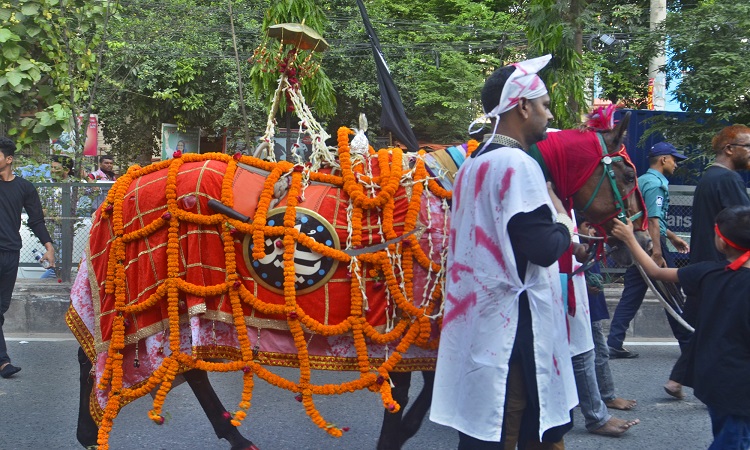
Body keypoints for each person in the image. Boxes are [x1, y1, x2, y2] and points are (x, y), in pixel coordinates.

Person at [430, 55, 579, 449]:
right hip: (514, 328)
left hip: (481, 320)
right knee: (513, 423)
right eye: (544, 105)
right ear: (523, 106)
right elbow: (543, 248)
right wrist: (565, 223)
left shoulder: (472, 165)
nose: (548, 114)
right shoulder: (518, 163)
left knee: (486, 427)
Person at [611, 206, 750, 450]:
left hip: (715, 379)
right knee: (734, 439)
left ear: (721, 242)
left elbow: (656, 271)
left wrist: (630, 238)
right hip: (741, 385)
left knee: (729, 436)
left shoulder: (706, 272)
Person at [607, 142, 691, 358]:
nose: (676, 164)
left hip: (641, 243)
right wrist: (657, 253)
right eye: (674, 159)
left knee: (632, 294)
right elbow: (653, 221)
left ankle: (614, 342)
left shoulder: (642, 180)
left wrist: (673, 237)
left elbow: (652, 218)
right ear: (663, 160)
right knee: (671, 293)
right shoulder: (656, 185)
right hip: (653, 245)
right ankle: (689, 344)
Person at [571, 222, 638, 437]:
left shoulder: (590, 246)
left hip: (588, 303)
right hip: (577, 303)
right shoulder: (575, 244)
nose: (592, 232)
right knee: (592, 353)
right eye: (588, 227)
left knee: (592, 352)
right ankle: (602, 400)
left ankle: (598, 398)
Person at [0, 137, 55, 378]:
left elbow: (36, 221)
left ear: (8, 159)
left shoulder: (25, 188)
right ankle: (3, 362)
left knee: (1, 309)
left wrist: (49, 247)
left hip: (10, 254)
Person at [689, 125, 750, 264]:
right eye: (748, 146)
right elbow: (745, 226)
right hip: (723, 271)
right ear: (729, 149)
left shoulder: (709, 177)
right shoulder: (728, 179)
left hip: (705, 268)